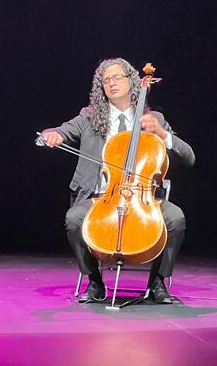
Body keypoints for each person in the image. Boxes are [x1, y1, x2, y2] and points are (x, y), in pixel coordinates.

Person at [40, 57, 195, 304]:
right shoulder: (89, 117)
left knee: (175, 219)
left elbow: (189, 157)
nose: (111, 83)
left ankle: (158, 283)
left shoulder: (153, 119)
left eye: (117, 77)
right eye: (106, 80)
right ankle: (94, 282)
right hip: (101, 197)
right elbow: (60, 131)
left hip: (142, 198)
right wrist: (51, 136)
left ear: (132, 81)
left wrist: (162, 133)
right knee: (74, 219)